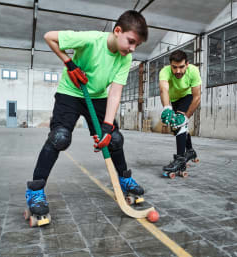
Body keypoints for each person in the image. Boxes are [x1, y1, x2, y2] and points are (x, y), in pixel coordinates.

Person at [25, 10, 149, 217]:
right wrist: (69, 63)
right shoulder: (91, 40)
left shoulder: (125, 58)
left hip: (98, 97)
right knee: (60, 138)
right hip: (70, 93)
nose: (132, 48)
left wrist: (107, 128)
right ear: (118, 31)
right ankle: (35, 190)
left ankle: (124, 178)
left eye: (137, 45)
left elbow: (115, 92)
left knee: (114, 139)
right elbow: (49, 37)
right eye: (131, 41)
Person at [159, 50, 201, 177]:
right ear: (170, 65)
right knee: (177, 125)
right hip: (173, 99)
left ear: (187, 64)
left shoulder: (193, 71)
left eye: (181, 67)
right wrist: (167, 108)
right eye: (174, 67)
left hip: (187, 96)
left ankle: (179, 160)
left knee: (180, 123)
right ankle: (190, 151)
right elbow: (163, 89)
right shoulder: (164, 71)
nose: (178, 71)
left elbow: (197, 97)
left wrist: (186, 117)